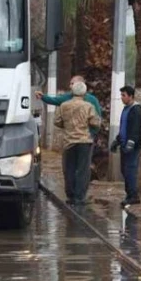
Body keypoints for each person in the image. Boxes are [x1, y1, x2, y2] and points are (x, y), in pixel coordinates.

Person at [54, 79, 100, 207]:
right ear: (84, 93)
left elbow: (57, 121)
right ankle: (80, 197)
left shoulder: (64, 105)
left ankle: (70, 195)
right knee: (83, 170)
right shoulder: (88, 106)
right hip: (84, 141)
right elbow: (95, 122)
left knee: (69, 169)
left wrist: (67, 126)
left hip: (69, 141)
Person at [37, 75, 103, 139]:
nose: (70, 86)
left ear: (80, 84)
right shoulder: (89, 101)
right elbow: (55, 100)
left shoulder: (90, 100)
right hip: (81, 137)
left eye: (72, 83)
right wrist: (43, 97)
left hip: (78, 137)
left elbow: (58, 120)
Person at [112, 85, 141, 206]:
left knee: (130, 170)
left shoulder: (136, 109)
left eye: (123, 95)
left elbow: (136, 129)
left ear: (130, 96)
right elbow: (123, 128)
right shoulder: (126, 109)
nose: (121, 97)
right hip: (124, 144)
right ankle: (129, 194)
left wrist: (131, 144)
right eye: (121, 95)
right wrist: (117, 141)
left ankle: (133, 196)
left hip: (132, 147)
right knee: (124, 170)